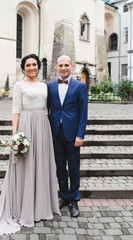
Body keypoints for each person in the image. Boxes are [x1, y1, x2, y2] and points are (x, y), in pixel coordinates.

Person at [0, 54, 60, 236]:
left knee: (41, 165)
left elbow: (49, 109)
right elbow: (16, 111)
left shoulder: (44, 86)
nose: (32, 67)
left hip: (43, 127)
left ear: (38, 67)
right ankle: (23, 207)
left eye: (34, 64)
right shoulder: (19, 85)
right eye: (28, 65)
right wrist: (15, 135)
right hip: (26, 126)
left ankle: (41, 206)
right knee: (25, 166)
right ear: (23, 68)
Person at [47, 55, 88, 218]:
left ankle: (74, 200)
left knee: (74, 168)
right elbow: (46, 110)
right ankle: (64, 196)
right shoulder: (49, 86)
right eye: (61, 65)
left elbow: (83, 113)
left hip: (73, 135)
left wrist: (80, 135)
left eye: (66, 65)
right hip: (55, 134)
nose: (63, 68)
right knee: (60, 168)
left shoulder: (79, 86)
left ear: (71, 67)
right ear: (56, 67)